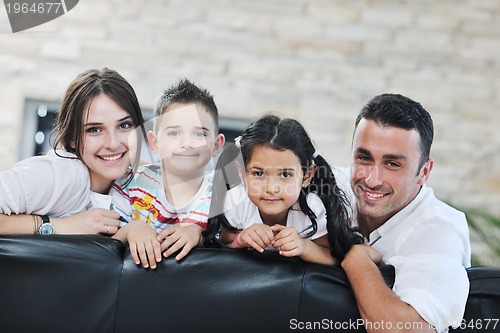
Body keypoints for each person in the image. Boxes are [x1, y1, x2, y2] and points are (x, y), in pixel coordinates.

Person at [340, 94, 471, 333]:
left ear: (424, 172)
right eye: (364, 158)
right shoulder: (331, 188)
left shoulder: (440, 229)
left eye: (392, 164)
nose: (372, 180)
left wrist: (356, 259)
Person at [0, 68, 145, 236]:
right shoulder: (61, 174)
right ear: (72, 138)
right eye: (94, 129)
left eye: (124, 125)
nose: (112, 143)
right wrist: (57, 225)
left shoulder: (140, 181)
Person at [217, 114, 363, 265]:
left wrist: (305, 246)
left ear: (307, 176)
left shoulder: (313, 209)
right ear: (242, 173)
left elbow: (335, 259)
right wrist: (240, 241)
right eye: (258, 173)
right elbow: (219, 251)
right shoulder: (236, 202)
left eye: (285, 174)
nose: (271, 188)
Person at [112, 79, 225, 269]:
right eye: (174, 133)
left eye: (199, 134)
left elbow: (229, 251)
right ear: (154, 143)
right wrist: (131, 229)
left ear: (217, 145)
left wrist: (198, 235)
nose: (187, 143)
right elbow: (103, 248)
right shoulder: (133, 182)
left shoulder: (222, 196)